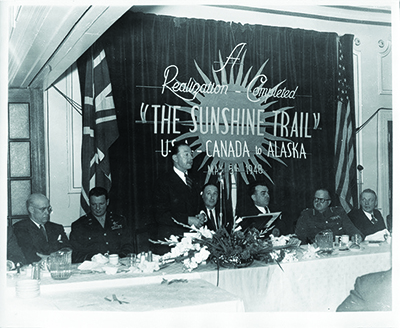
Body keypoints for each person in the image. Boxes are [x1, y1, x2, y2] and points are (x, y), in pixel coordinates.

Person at [153, 141, 202, 253]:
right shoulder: (163, 182)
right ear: (175, 158)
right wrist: (187, 219)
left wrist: (202, 214)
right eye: (186, 154)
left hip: (192, 241)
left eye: (191, 154)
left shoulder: (193, 180)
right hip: (172, 241)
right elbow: (161, 215)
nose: (191, 158)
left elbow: (199, 204)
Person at [69, 187, 134, 263]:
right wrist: (95, 258)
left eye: (101, 204)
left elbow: (128, 245)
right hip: (93, 267)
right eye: (94, 204)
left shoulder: (119, 220)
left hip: (118, 264)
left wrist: (119, 257)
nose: (97, 208)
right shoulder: (79, 225)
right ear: (89, 203)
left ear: (107, 202)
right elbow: (75, 254)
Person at [13, 193, 71, 264]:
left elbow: (68, 249)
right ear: (31, 210)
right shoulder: (20, 228)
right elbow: (29, 254)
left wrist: (51, 258)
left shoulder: (57, 228)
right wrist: (55, 256)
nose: (47, 212)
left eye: (48, 208)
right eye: (42, 209)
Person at [295, 188, 362, 244]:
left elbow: (351, 229)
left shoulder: (338, 213)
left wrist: (357, 236)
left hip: (338, 249)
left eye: (321, 200)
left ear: (328, 202)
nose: (317, 202)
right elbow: (299, 236)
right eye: (316, 199)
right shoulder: (307, 215)